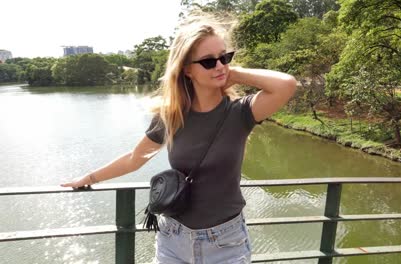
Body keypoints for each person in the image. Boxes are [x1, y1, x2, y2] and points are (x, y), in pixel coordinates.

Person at [61, 13, 296, 264]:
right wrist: (89, 178)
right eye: (208, 61)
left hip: (225, 243)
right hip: (173, 238)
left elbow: (286, 85)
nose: (219, 66)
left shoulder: (241, 113)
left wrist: (234, 73)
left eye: (224, 57)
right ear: (187, 70)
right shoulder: (171, 116)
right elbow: (134, 158)